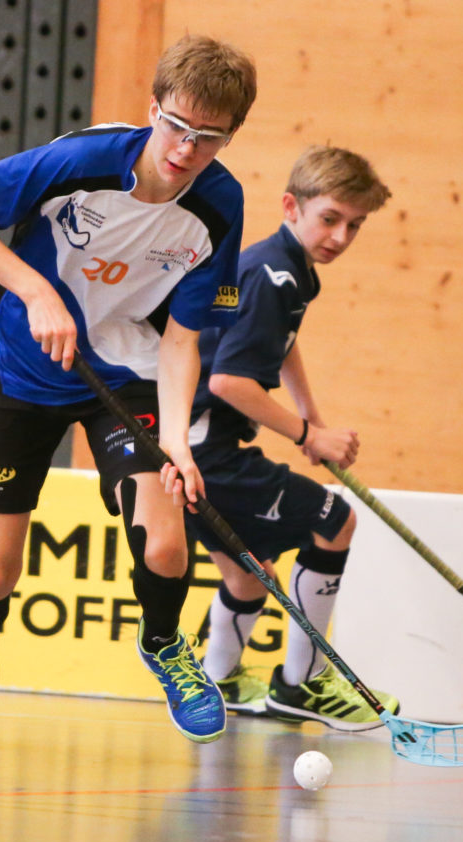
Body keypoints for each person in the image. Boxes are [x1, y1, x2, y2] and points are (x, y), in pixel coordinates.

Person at [0, 35, 258, 747]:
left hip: (124, 373)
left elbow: (182, 339)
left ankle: (164, 644)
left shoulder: (221, 207)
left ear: (231, 136)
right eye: (177, 125)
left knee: (164, 545)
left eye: (209, 136)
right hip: (21, 366)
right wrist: (37, 290)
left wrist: (176, 442)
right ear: (153, 108)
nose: (186, 148)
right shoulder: (82, 162)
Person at [185, 145, 401, 731]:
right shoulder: (271, 275)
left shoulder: (290, 271)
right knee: (335, 520)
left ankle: (218, 683)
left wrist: (314, 421)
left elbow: (284, 343)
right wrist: (307, 434)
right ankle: (301, 685)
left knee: (250, 574)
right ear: (291, 206)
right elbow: (229, 382)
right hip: (205, 455)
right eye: (330, 218)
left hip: (193, 454)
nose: (341, 237)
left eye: (354, 225)